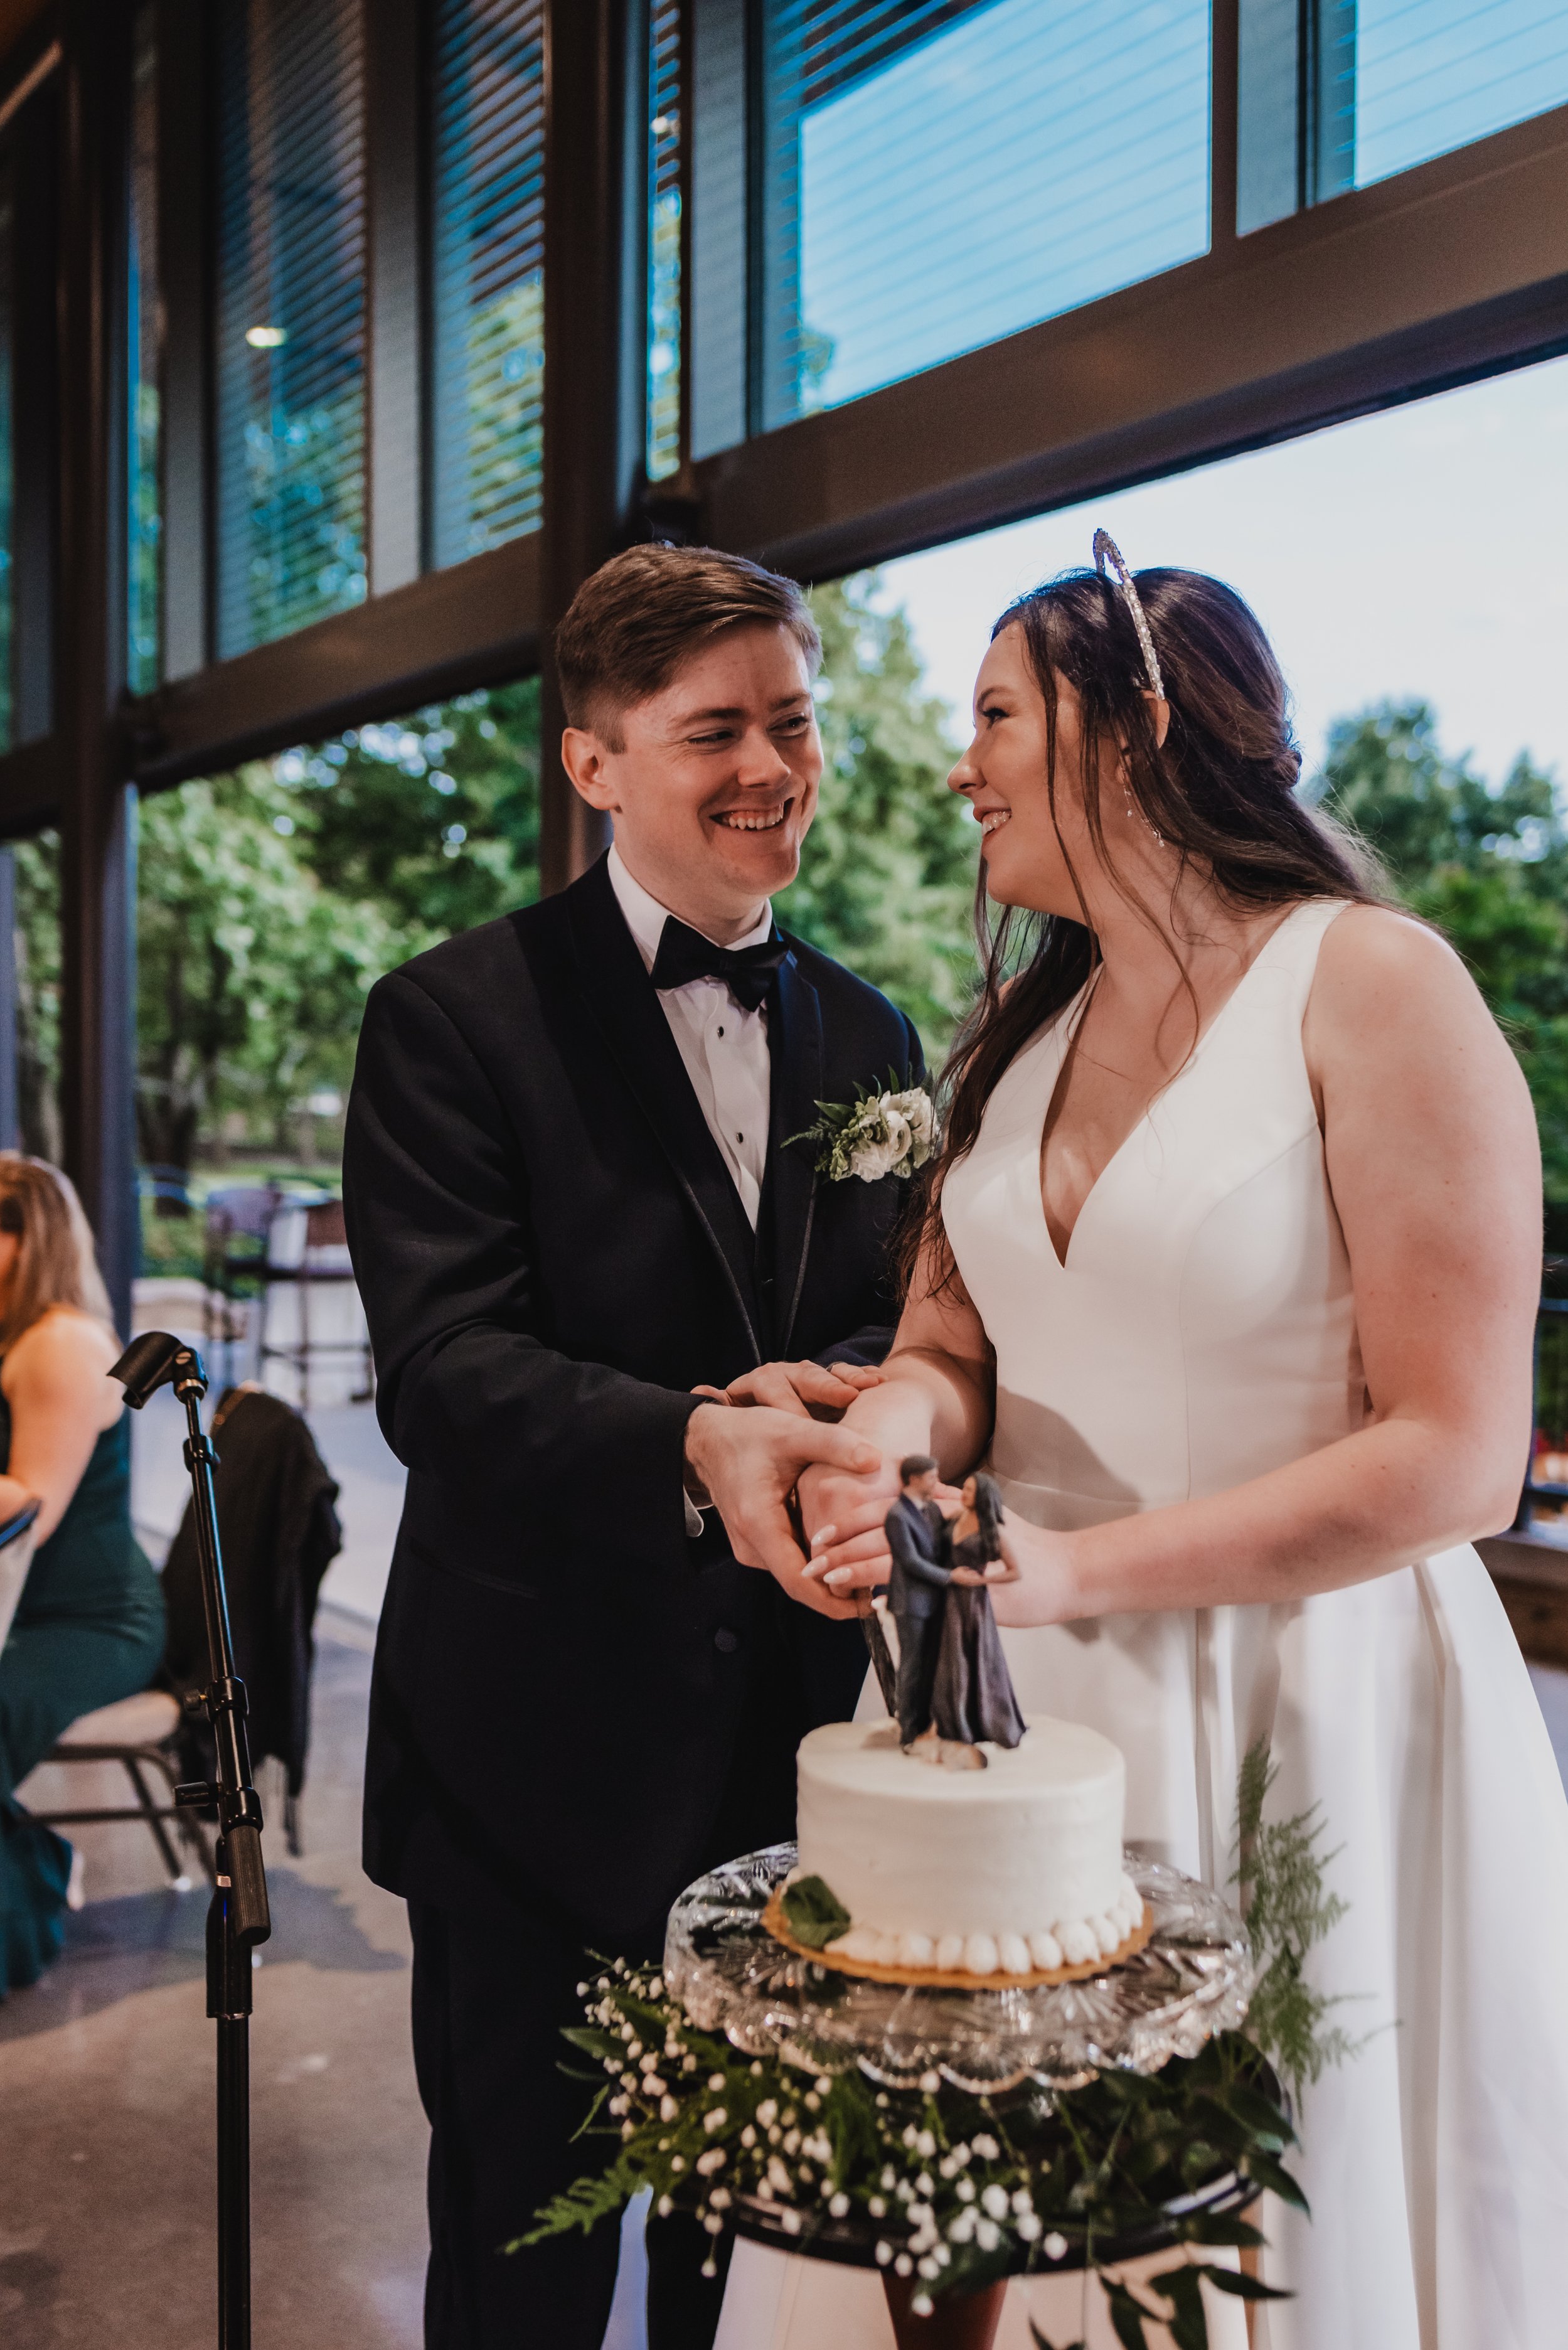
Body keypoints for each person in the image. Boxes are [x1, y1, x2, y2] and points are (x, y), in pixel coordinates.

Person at [776, 537, 1568, 2350]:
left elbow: (1456, 1452)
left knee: (1243, 2236)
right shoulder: (1019, 1025)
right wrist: (890, 1437)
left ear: (1127, 728)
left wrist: (1070, 1572)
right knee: (966, 2232)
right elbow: (949, 1343)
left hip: (1305, 1698)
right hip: (1014, 1705)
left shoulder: (1373, 985)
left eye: (991, 716)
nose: (954, 764)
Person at [342, 542, 925, 2350]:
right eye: (714, 731)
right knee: (521, 2253)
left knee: (746, 2258)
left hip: (797, 1761)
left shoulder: (870, 1031)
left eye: (794, 722)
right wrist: (694, 1436)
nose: (773, 767)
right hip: (534, 1756)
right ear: (595, 762)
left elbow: (889, 1324)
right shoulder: (449, 1019)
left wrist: (833, 1398)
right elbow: (441, 1373)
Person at [0, 1154, 163, 1999]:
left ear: (32, 1242)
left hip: (91, 1622)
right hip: (27, 1608)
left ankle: (23, 1896)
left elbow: (31, 1506)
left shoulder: (59, 1342)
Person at [930, 1471, 1025, 1751]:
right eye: (965, 1488)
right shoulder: (952, 1521)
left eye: (970, 1490)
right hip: (947, 1599)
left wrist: (982, 1580)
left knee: (971, 1657)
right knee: (944, 1658)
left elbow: (1015, 1571)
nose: (965, 1494)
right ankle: (947, 1723)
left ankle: (975, 1723)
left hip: (972, 1604)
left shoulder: (990, 1531)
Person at [882, 1453, 952, 1749]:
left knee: (933, 1664)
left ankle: (930, 1722)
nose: (936, 1482)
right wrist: (951, 1577)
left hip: (936, 1599)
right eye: (931, 1477)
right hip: (910, 1602)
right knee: (912, 1665)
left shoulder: (934, 1510)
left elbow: (943, 1545)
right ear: (913, 1479)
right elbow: (910, 1560)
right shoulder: (897, 1515)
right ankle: (909, 1728)